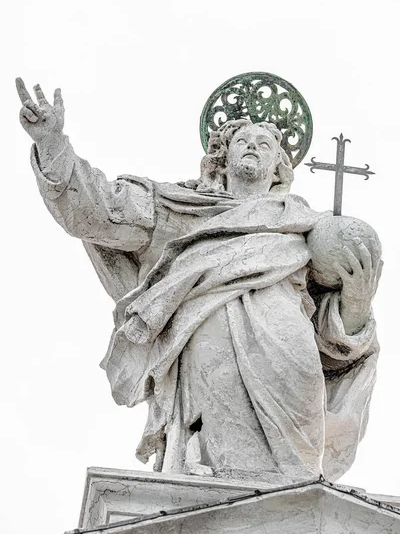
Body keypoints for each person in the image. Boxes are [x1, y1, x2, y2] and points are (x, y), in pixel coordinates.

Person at [17, 78, 381, 485]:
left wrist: (356, 303)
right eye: (244, 140)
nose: (253, 148)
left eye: (265, 145)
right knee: (220, 459)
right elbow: (96, 209)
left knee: (298, 471)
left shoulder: (304, 227)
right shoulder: (177, 208)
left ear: (279, 164)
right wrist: (52, 144)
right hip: (207, 335)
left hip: (289, 340)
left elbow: (338, 350)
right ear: (222, 154)